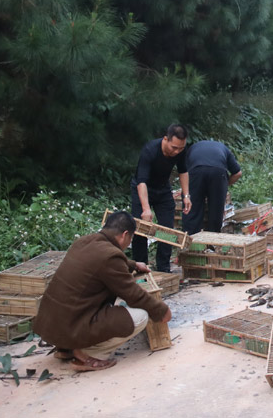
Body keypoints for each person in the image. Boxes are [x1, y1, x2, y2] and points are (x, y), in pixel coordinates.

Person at [33, 211, 172, 372]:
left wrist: (134, 264)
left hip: (51, 324)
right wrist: (161, 310)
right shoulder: (109, 256)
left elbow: (107, 261)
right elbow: (133, 294)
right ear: (125, 235)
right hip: (71, 324)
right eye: (131, 239)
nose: (129, 243)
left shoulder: (84, 241)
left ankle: (65, 347)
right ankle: (85, 353)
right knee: (140, 317)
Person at [131, 123, 190, 272]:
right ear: (166, 139)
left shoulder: (181, 151)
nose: (177, 151)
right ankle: (141, 266)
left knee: (167, 229)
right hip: (143, 188)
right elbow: (141, 181)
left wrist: (186, 196)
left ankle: (163, 268)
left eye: (180, 148)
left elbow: (183, 171)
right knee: (140, 227)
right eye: (174, 148)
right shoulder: (150, 150)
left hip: (163, 190)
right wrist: (145, 208)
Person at [182, 140, 242, 234]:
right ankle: (212, 243)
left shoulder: (191, 149)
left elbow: (183, 172)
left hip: (196, 171)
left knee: (192, 209)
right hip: (218, 172)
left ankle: (190, 241)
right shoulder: (224, 148)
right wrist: (224, 185)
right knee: (216, 211)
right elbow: (237, 173)